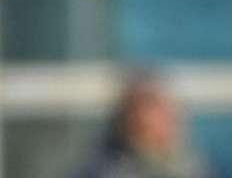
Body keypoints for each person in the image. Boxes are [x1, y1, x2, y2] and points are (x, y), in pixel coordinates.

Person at [75, 74, 210, 178]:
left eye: (168, 111)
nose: (167, 122)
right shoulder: (107, 169)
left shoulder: (191, 165)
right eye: (154, 108)